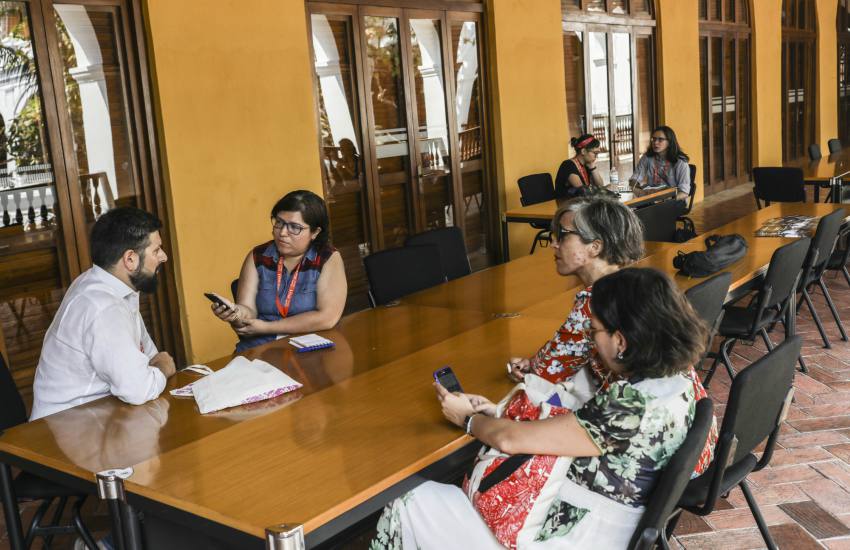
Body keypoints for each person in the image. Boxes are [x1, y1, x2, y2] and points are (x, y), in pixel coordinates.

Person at [371, 268, 710, 549]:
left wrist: (469, 419)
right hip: (614, 524)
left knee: (409, 499)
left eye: (595, 333)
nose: (593, 342)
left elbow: (508, 441)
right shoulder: (678, 380)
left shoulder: (631, 405)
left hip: (574, 536)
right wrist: (498, 413)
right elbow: (575, 432)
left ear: (621, 341)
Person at [30, 207, 176, 421]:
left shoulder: (112, 287)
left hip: (100, 418)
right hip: (67, 428)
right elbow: (139, 388)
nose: (163, 257)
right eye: (156, 250)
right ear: (130, 259)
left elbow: (147, 358)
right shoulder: (103, 307)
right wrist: (163, 367)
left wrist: (154, 367)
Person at [507, 196, 643, 385]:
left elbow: (544, 375)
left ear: (595, 247)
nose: (554, 243)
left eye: (563, 235)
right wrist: (534, 362)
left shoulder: (595, 302)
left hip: (629, 407)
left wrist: (534, 367)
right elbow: (569, 355)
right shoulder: (637, 282)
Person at [212, 190, 347, 352]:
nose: (283, 233)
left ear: (315, 232)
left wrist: (267, 327)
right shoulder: (258, 256)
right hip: (261, 349)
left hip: (310, 350)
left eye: (294, 227)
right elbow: (248, 311)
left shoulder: (327, 258)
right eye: (279, 222)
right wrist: (235, 315)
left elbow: (327, 318)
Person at [629, 125, 691, 202]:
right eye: (653, 139)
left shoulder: (680, 162)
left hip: (673, 201)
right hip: (652, 198)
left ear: (669, 142)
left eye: (660, 140)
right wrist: (637, 189)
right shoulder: (647, 157)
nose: (655, 143)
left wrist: (664, 200)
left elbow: (684, 193)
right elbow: (635, 178)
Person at [554, 134, 608, 199]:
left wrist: (593, 167)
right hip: (566, 205)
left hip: (581, 204)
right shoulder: (568, 165)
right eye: (595, 153)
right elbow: (583, 192)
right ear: (583, 151)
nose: (596, 156)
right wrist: (605, 189)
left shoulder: (587, 164)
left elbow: (600, 186)